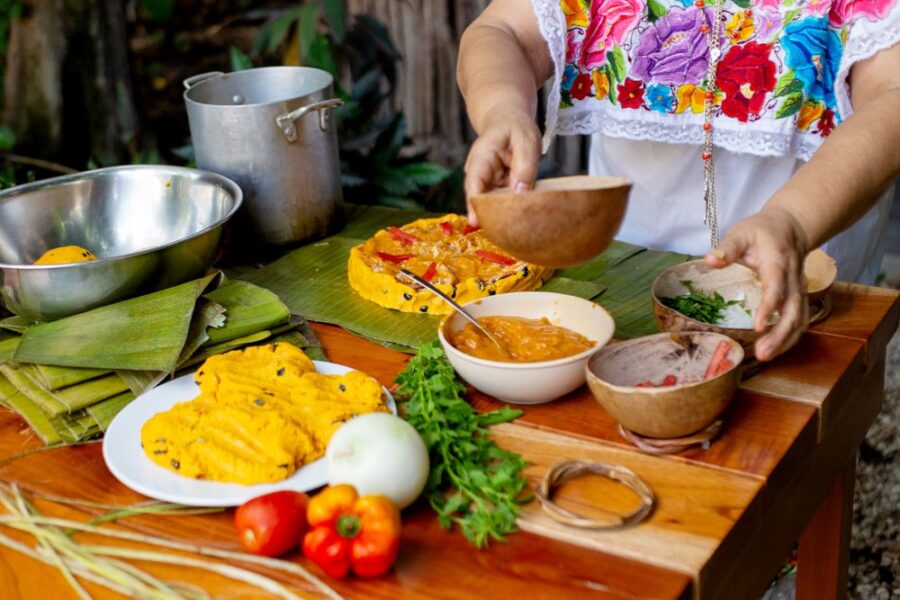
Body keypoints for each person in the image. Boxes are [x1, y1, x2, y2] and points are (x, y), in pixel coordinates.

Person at [457, 0, 900, 361]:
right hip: (624, 265)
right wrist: (502, 110)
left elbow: (892, 97)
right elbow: (502, 32)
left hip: (798, 266)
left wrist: (794, 220)